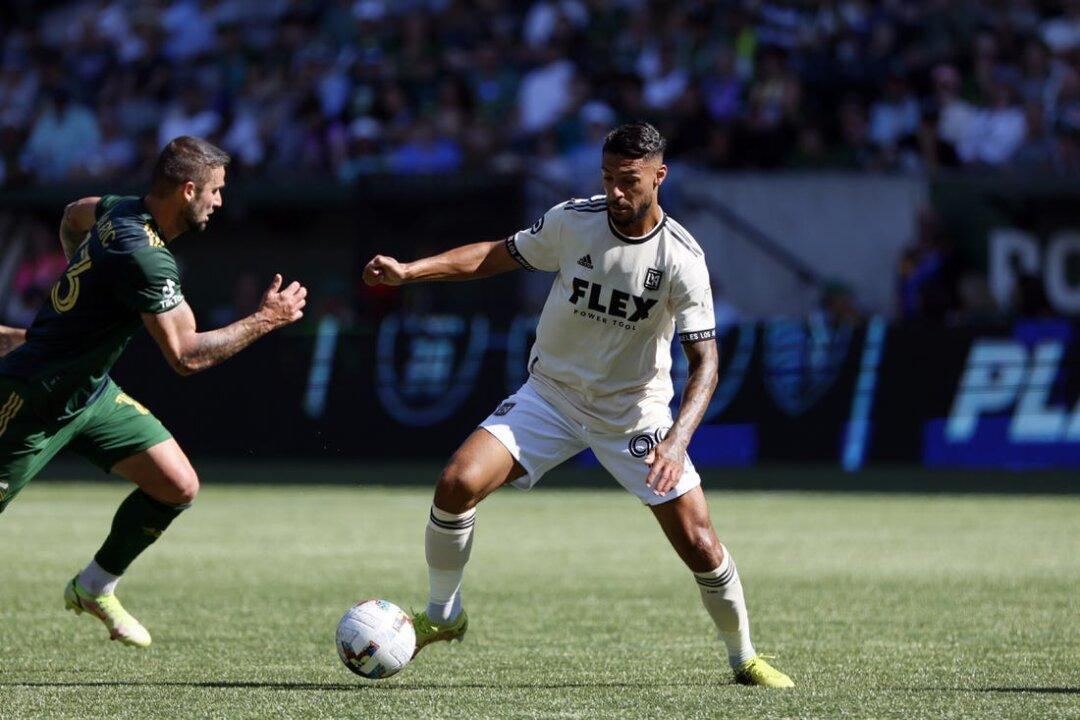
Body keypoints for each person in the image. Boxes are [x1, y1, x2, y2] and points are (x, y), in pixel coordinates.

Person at [362, 122, 793, 688]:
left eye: (630, 181)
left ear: (659, 178)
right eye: (609, 178)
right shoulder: (573, 221)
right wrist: (410, 272)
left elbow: (706, 363)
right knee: (456, 483)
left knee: (700, 544)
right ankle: (444, 617)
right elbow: (496, 255)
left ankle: (744, 657)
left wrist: (678, 437)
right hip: (552, 396)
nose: (616, 192)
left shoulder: (682, 258)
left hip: (633, 414)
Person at [0, 136, 307, 647]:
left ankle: (94, 586)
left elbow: (74, 214)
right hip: (34, 398)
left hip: (91, 394)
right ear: (188, 190)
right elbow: (185, 355)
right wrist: (265, 319)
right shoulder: (146, 258)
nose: (220, 201)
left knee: (177, 485)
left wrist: (86, 279)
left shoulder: (119, 209)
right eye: (216, 190)